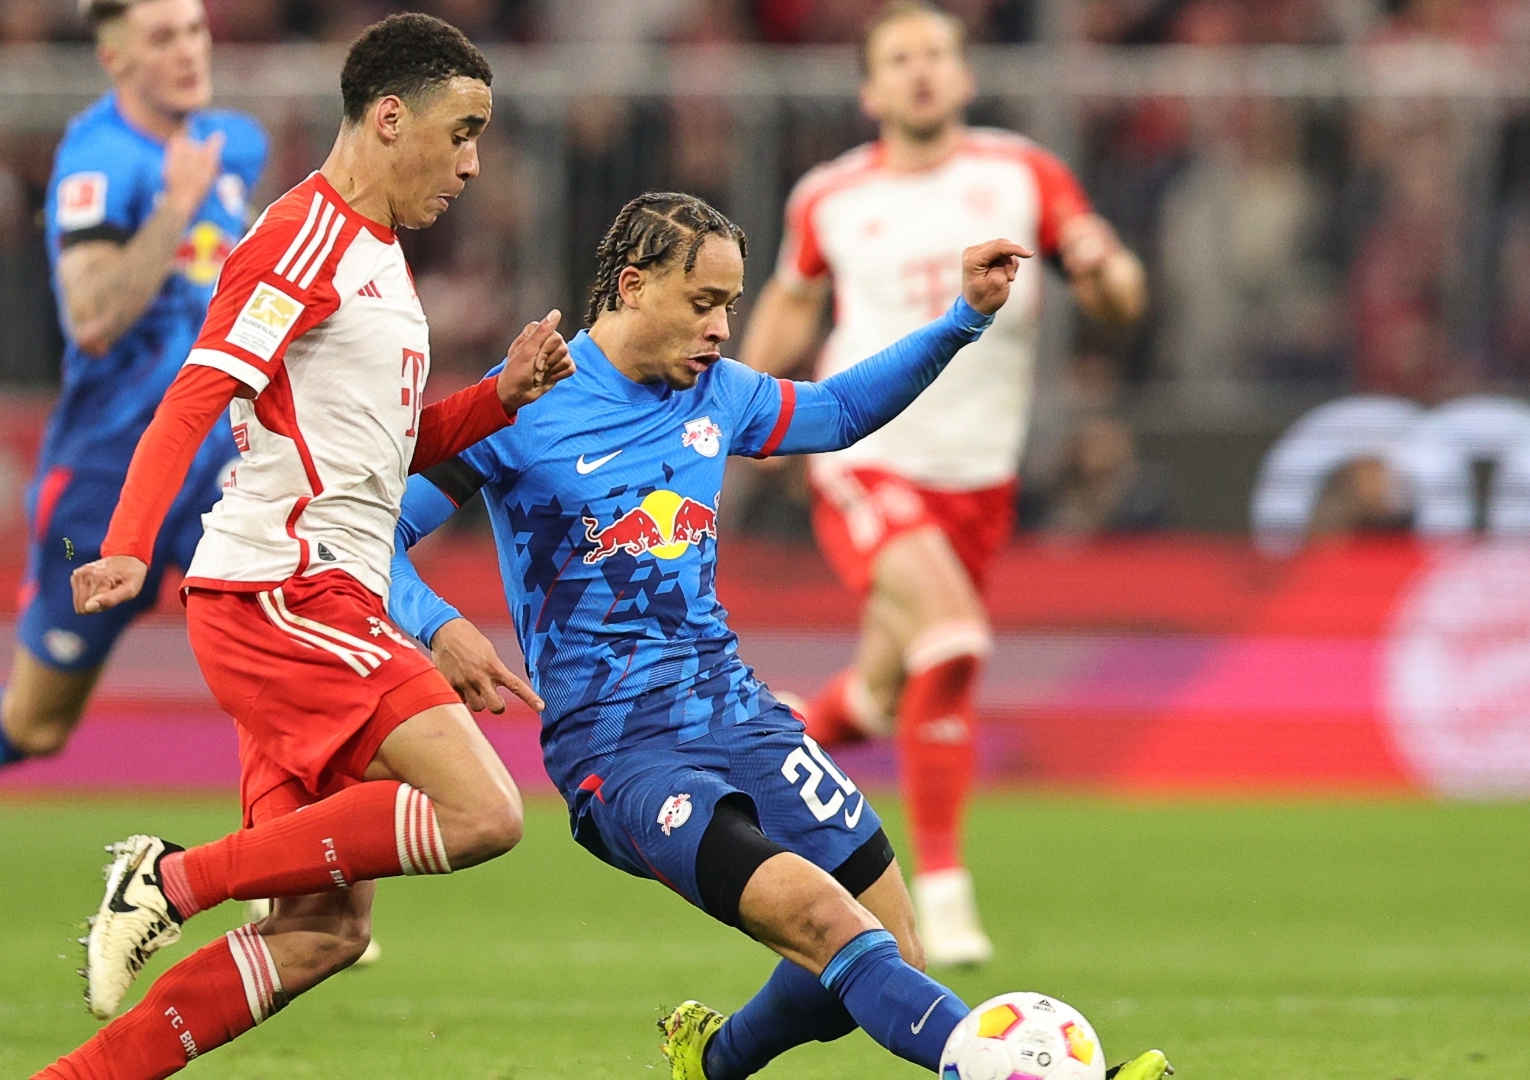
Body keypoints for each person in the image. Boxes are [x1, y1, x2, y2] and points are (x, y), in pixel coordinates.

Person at [386, 192, 1168, 1080]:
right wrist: (440, 627)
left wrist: (964, 319)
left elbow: (838, 411)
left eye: (730, 304)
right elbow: (378, 536)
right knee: (827, 924)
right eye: (703, 303)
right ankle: (1009, 1069)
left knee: (888, 945)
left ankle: (712, 1061)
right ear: (633, 286)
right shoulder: (524, 401)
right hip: (622, 749)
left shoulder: (719, 392)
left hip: (739, 714)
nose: (723, 328)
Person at [32, 15, 573, 1078]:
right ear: (389, 118)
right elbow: (197, 390)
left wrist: (499, 397)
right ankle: (171, 880)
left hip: (320, 598)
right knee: (483, 812)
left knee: (323, 931)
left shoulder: (375, 256)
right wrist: (131, 542)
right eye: (462, 132)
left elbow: (384, 448)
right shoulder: (303, 235)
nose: (472, 164)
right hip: (283, 593)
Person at [738, 0, 1146, 966]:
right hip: (866, 458)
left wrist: (1105, 271)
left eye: (936, 54)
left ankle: (758, 768)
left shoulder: (1022, 173)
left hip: (979, 478)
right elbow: (791, 308)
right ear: (870, 90)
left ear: (964, 76)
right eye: (899, 58)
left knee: (886, 693)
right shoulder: (830, 196)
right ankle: (945, 896)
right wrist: (739, 413)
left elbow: (1120, 295)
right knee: (954, 636)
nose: (921, 70)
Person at [0, 0, 267, 818]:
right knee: (37, 721)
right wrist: (174, 207)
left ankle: (300, 874)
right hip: (106, 476)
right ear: (115, 59)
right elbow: (92, 319)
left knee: (283, 656)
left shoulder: (237, 143)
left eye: (194, 30)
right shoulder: (99, 160)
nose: (189, 50)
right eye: (163, 37)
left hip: (215, 463)